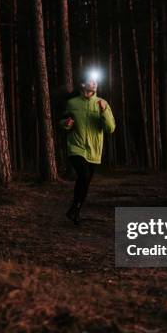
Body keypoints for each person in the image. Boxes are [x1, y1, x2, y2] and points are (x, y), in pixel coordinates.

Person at [59, 69, 116, 225]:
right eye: (91, 81)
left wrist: (104, 110)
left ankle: (75, 209)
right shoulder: (72, 103)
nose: (95, 84)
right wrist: (66, 124)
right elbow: (63, 122)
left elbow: (110, 128)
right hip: (76, 147)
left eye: (96, 81)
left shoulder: (102, 103)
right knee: (83, 176)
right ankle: (75, 209)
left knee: (85, 181)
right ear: (83, 84)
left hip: (94, 150)